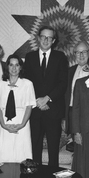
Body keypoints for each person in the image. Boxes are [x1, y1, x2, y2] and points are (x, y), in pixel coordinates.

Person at [24, 25, 68, 167]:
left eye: (49, 38)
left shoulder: (60, 57)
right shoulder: (30, 57)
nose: (46, 40)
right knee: (34, 148)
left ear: (54, 41)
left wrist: (47, 98)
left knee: (53, 149)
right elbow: (26, 82)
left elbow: (63, 83)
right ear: (38, 38)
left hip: (53, 109)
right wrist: (38, 101)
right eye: (43, 36)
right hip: (35, 110)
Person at [0, 54, 36, 178]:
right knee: (4, 154)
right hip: (4, 123)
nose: (13, 68)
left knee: (20, 155)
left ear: (20, 67)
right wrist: (4, 125)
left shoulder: (27, 84)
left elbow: (29, 106)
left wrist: (22, 124)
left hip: (21, 122)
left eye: (17, 65)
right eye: (11, 65)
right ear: (7, 67)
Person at [64, 40, 89, 178]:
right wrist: (65, 118)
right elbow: (66, 97)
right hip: (74, 114)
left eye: (84, 52)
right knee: (78, 151)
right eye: (78, 52)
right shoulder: (71, 71)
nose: (81, 55)